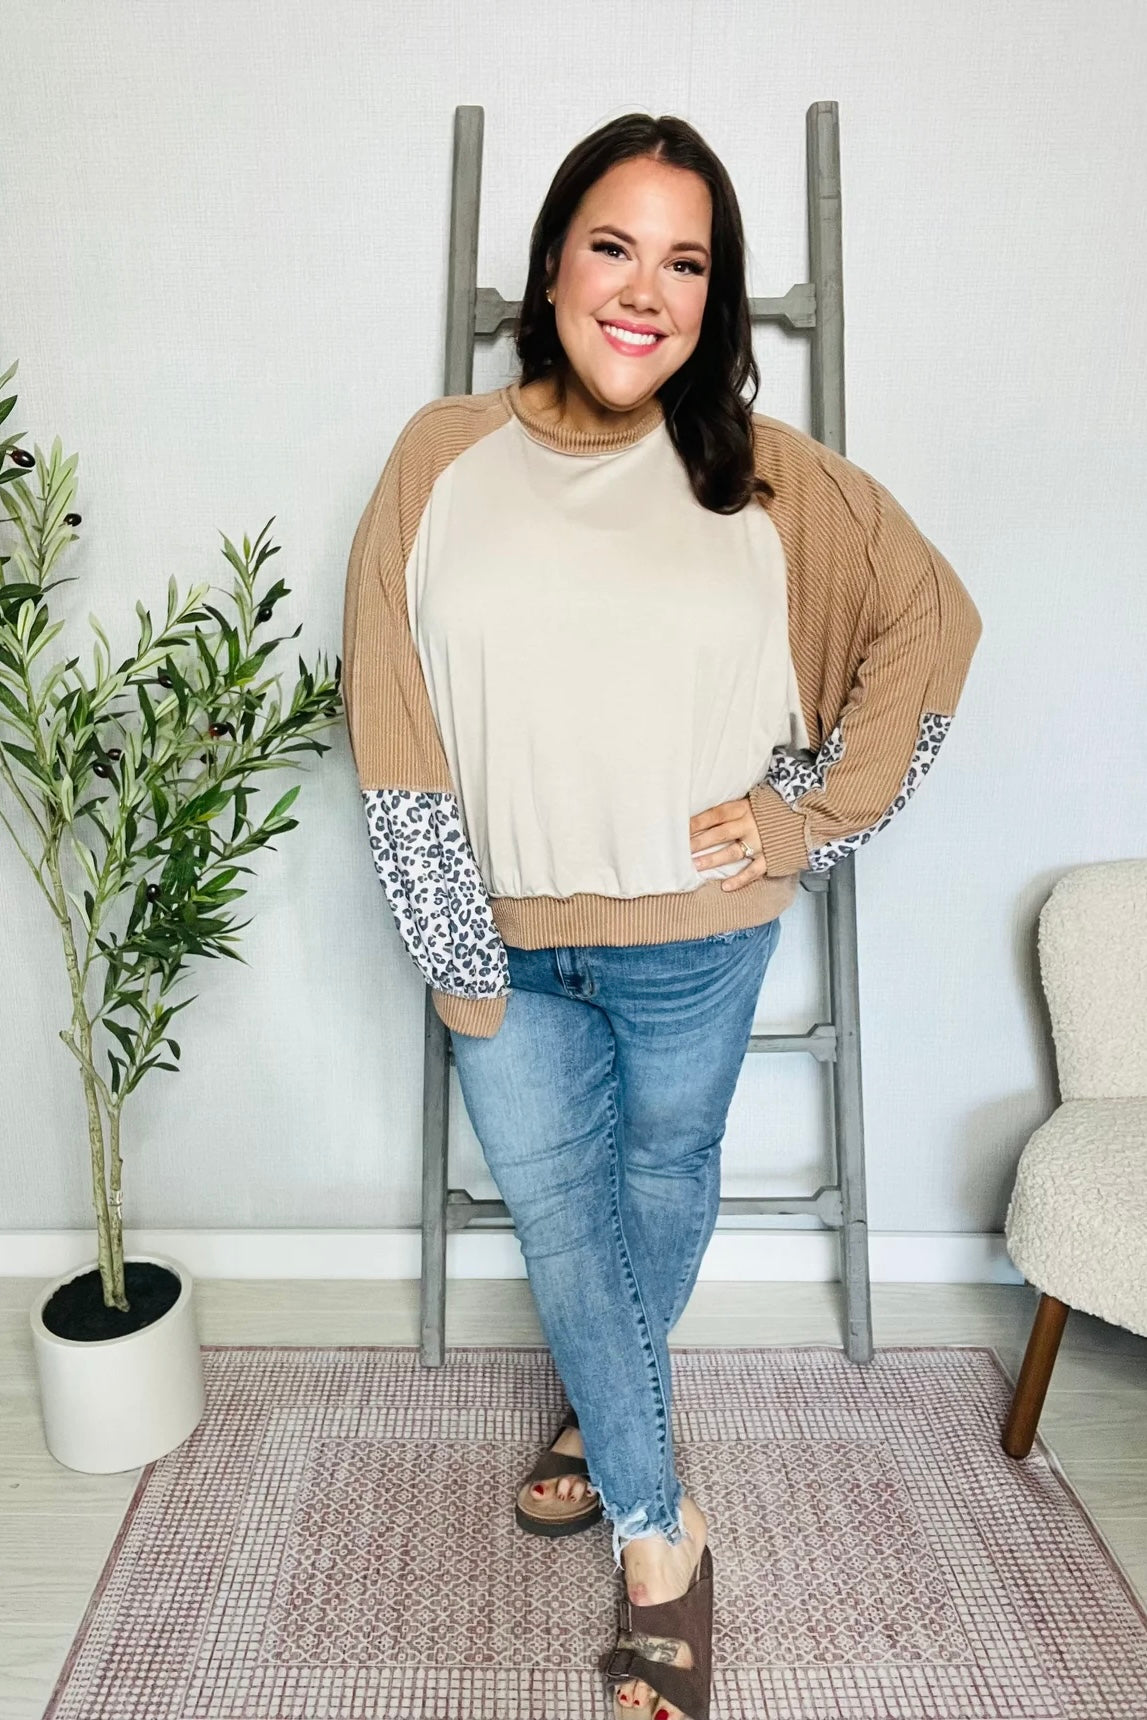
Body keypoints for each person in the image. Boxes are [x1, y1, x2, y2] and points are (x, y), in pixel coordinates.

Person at [343, 110, 982, 1720]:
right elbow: (391, 707)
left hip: (701, 937)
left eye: (687, 260)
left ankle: (592, 1417)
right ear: (553, 260)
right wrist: (449, 940)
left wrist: (805, 817)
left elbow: (932, 623)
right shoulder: (440, 455)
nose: (645, 290)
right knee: (569, 1219)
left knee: (653, 1192)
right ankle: (662, 1540)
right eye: (614, 245)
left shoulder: (764, 475)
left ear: (720, 294)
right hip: (503, 939)